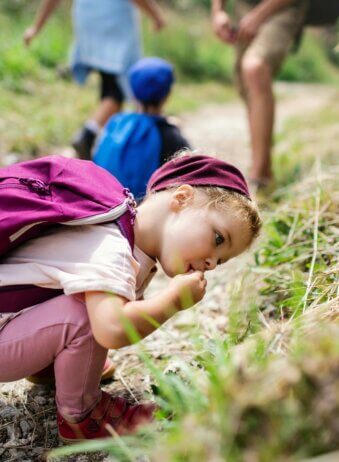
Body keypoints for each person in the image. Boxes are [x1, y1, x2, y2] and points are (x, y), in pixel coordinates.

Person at [0, 153, 262, 442]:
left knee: (94, 302)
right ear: (182, 198)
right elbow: (111, 330)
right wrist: (172, 301)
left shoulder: (122, 231)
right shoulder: (109, 245)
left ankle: (51, 366)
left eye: (221, 261)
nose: (212, 263)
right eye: (218, 239)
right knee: (86, 317)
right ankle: (83, 415)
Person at [24, 0, 166, 159]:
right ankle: (88, 134)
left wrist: (36, 27)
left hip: (86, 18)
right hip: (114, 20)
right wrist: (156, 16)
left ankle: (105, 142)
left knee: (109, 81)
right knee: (117, 88)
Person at [211, 0, 307, 189]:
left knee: (255, 67)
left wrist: (259, 15)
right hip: (244, 6)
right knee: (246, 86)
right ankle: (264, 168)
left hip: (284, 7)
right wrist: (218, 11)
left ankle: (258, 178)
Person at [93, 57, 191, 200]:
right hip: (138, 209)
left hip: (102, 201)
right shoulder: (170, 135)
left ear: (132, 93)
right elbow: (190, 171)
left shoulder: (115, 122)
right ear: (167, 95)